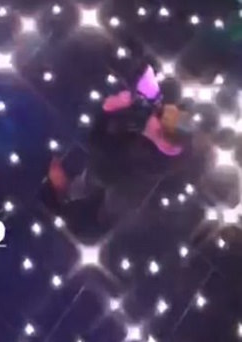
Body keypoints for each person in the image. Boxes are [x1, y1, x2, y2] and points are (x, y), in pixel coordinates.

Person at [45, 66, 211, 224]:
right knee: (112, 203)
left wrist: (108, 111)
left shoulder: (132, 154)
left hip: (116, 183)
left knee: (96, 190)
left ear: (162, 138)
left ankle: (72, 197)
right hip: (131, 189)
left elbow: (97, 145)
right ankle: (101, 214)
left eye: (158, 115)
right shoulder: (180, 145)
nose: (154, 111)